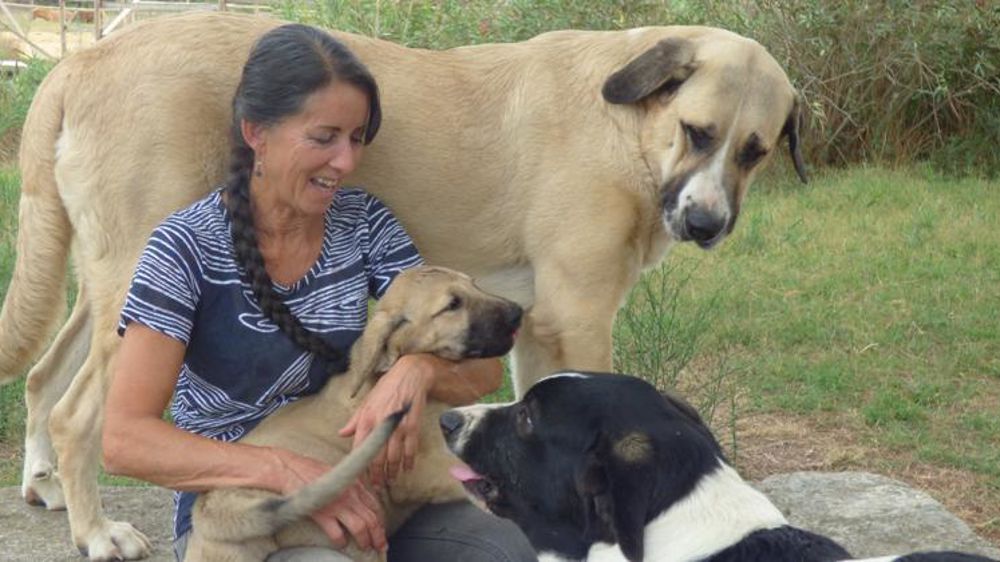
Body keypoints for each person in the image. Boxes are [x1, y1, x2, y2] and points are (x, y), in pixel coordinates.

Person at [102, 23, 536, 562]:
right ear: (256, 133)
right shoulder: (184, 248)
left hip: (379, 491)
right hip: (248, 520)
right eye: (324, 137)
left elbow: (482, 369)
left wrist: (416, 372)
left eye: (356, 139)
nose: (347, 162)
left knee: (520, 543)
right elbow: (124, 440)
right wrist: (286, 471)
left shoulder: (366, 225)